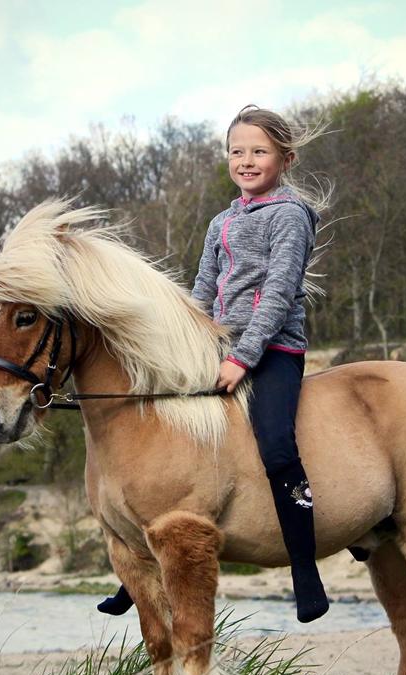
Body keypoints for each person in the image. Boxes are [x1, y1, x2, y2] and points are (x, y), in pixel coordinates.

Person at [99, 105, 331, 623]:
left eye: (259, 151)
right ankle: (133, 570)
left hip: (273, 350)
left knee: (276, 446)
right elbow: (202, 291)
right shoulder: (221, 222)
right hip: (216, 347)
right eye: (237, 151)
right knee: (163, 438)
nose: (246, 161)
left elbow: (278, 293)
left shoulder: (290, 216)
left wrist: (243, 357)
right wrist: (185, 347)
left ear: (284, 158)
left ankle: (304, 568)